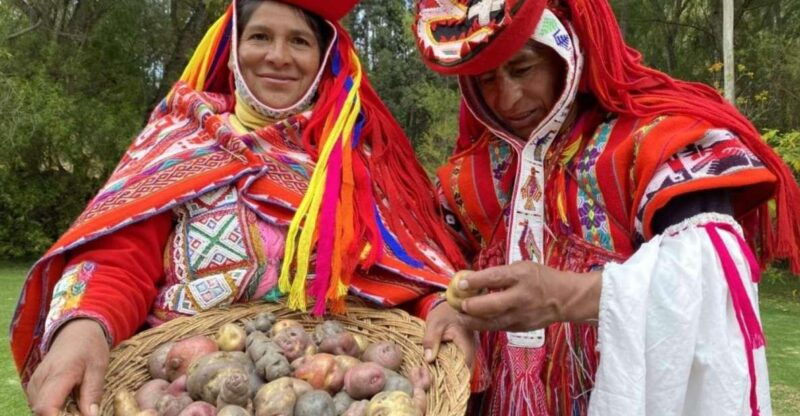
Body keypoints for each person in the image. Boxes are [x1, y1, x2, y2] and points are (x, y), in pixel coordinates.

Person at [10, 1, 466, 415]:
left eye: (300, 41)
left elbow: (403, 270)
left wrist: (439, 305)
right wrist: (85, 329)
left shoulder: (358, 164)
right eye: (260, 36)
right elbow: (119, 261)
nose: (278, 56)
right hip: (184, 376)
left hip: (326, 376)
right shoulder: (179, 141)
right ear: (232, 46)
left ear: (325, 59)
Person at [413, 0, 800, 415]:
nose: (507, 98)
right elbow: (428, 267)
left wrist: (567, 297)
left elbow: (712, 275)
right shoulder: (466, 179)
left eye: (523, 69)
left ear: (567, 53)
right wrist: (444, 308)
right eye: (486, 79)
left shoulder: (652, 144)